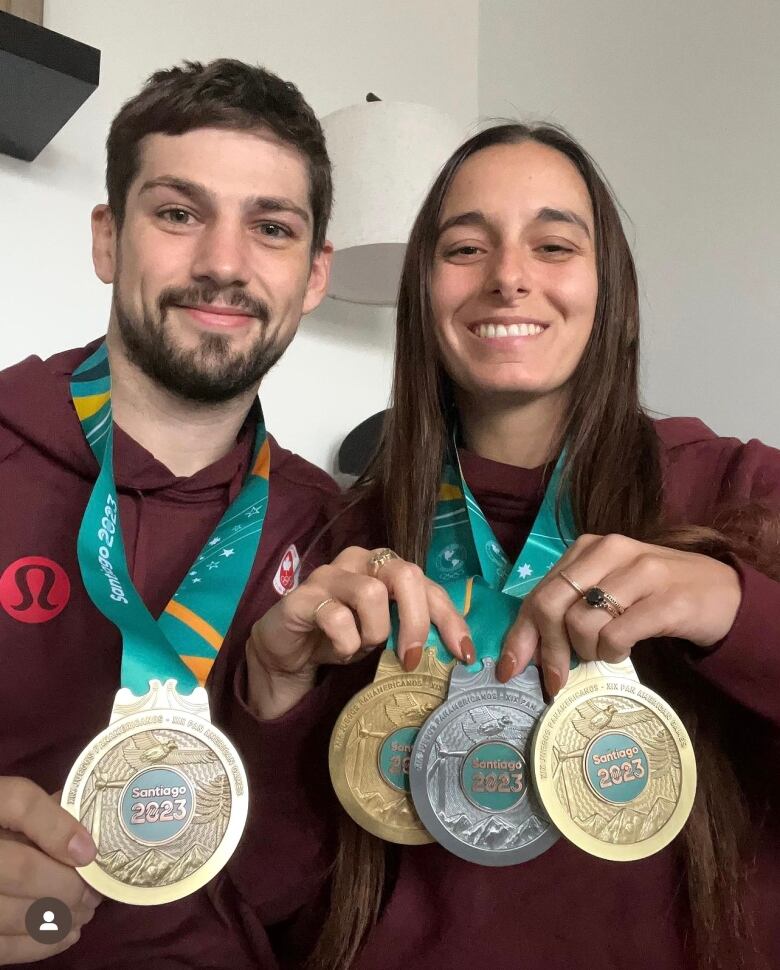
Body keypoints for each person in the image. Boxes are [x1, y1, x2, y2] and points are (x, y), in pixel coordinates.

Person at [245, 123, 780, 969]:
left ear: (612, 289)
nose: (509, 277)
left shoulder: (736, 490)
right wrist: (275, 699)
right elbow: (271, 902)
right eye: (466, 247)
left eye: (554, 243)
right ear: (424, 290)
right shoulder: (343, 546)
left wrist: (732, 606)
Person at [0, 58, 466, 969]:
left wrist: (275, 704)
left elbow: (297, 895)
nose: (223, 264)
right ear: (108, 238)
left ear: (316, 272)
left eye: (272, 228)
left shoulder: (337, 538)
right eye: (179, 214)